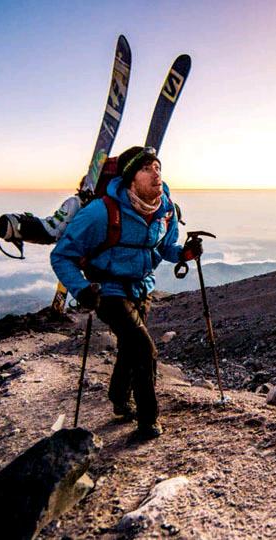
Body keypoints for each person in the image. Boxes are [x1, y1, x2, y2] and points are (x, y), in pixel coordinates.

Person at [51, 146, 202, 439]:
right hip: (106, 290)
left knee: (129, 348)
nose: (156, 173)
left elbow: (162, 248)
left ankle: (119, 399)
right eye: (147, 168)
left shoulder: (167, 210)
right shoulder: (100, 212)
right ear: (131, 178)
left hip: (141, 287)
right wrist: (81, 290)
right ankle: (148, 419)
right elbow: (62, 255)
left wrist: (184, 254)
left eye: (158, 167)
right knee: (144, 349)